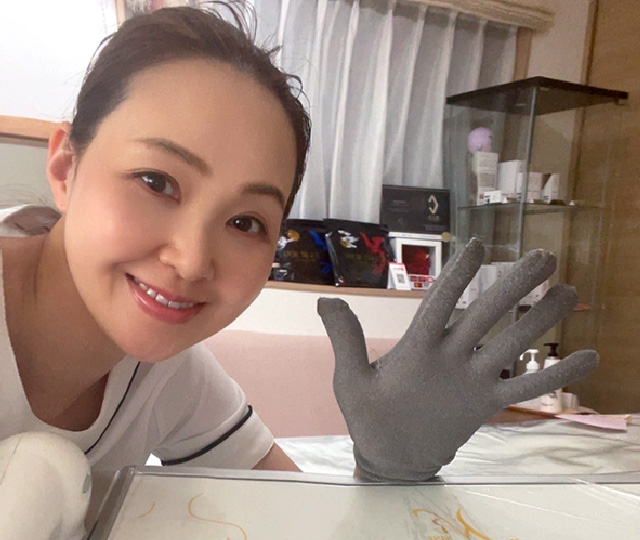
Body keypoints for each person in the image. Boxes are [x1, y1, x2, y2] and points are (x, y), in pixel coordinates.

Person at [0, 4, 598, 490]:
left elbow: (289, 519)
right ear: (66, 167)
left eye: (245, 222)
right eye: (156, 182)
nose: (191, 260)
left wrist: (388, 470)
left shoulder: (168, 373)